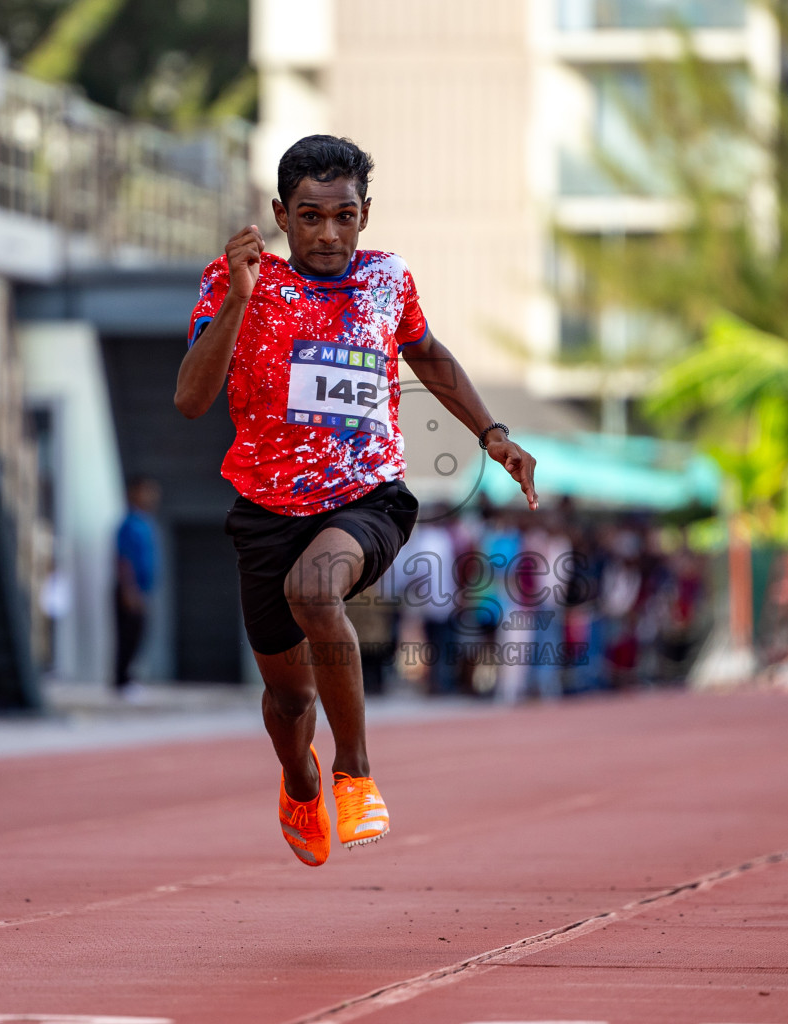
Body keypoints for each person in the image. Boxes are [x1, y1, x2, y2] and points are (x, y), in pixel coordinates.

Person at [174, 135, 538, 867]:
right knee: (287, 701)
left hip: (367, 496)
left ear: (366, 215)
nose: (328, 234)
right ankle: (303, 774)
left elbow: (427, 353)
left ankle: (355, 774)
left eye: (344, 216)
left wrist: (492, 433)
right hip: (268, 511)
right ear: (281, 214)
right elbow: (190, 399)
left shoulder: (386, 280)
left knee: (316, 590)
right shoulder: (237, 282)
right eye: (310, 216)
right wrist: (241, 299)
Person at [113, 476, 161, 700]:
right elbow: (122, 559)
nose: (151, 497)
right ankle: (121, 681)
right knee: (127, 635)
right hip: (129, 590)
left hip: (142, 590)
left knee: (138, 634)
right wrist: (128, 589)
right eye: (146, 492)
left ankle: (128, 677)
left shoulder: (147, 522)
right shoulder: (129, 524)